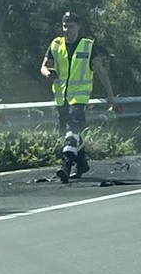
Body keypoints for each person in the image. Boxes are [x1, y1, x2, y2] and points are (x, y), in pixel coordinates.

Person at [40, 11, 116, 183]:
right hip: (62, 98)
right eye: (65, 26)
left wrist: (110, 96)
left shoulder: (88, 46)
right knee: (71, 134)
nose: (68, 30)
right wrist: (47, 73)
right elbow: (43, 66)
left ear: (78, 27)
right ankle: (82, 164)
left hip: (79, 99)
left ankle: (66, 165)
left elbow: (101, 72)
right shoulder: (55, 44)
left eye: (71, 27)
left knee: (72, 130)